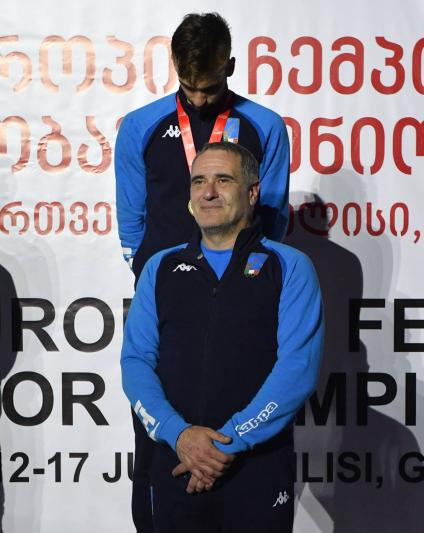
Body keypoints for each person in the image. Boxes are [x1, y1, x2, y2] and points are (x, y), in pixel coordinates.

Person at [114, 12, 291, 531]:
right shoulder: (141, 126)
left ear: (230, 66)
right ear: (173, 64)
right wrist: (159, 277)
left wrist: (241, 280)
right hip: (169, 296)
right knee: (157, 431)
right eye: (188, 86)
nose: (197, 98)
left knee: (245, 416)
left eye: (209, 88)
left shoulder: (265, 125)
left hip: (243, 294)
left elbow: (273, 219)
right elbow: (132, 224)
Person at [121, 142, 323, 532]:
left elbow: (297, 369)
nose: (208, 192)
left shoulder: (290, 267)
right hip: (172, 463)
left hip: (255, 470)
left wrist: (225, 443)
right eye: (199, 181)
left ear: (252, 192)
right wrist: (179, 435)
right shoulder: (159, 267)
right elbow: (136, 362)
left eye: (223, 180)